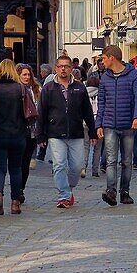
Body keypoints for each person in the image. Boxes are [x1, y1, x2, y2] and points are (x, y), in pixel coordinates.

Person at [37, 53, 96, 209]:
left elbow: (87, 111)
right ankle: (63, 195)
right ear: (56, 68)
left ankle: (68, 188)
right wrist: (40, 134)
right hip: (55, 132)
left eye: (66, 66)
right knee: (59, 164)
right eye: (60, 66)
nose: (63, 69)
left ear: (71, 68)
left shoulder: (79, 87)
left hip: (76, 132)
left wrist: (92, 132)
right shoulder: (48, 88)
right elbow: (42, 111)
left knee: (77, 166)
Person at [96, 45, 137, 206]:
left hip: (128, 125)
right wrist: (99, 124)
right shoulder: (105, 78)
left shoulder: (134, 75)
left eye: (103, 58)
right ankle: (111, 191)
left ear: (112, 58)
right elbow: (101, 102)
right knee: (111, 160)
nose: (102, 62)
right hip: (110, 124)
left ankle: (125, 192)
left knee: (126, 161)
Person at [0, 58, 27, 215]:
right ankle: (15, 203)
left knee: (0, 168)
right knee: (16, 169)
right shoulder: (20, 89)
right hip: (18, 134)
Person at [18, 65, 40, 199]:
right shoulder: (16, 90)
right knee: (18, 162)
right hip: (18, 130)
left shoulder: (36, 90)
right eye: (24, 75)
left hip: (32, 131)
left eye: (28, 75)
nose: (26, 77)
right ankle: (18, 189)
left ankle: (21, 188)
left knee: (25, 162)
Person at [82, 72, 102, 177]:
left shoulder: (83, 93)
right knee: (98, 148)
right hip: (98, 122)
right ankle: (95, 171)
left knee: (85, 146)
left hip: (85, 122)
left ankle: (83, 168)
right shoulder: (101, 94)